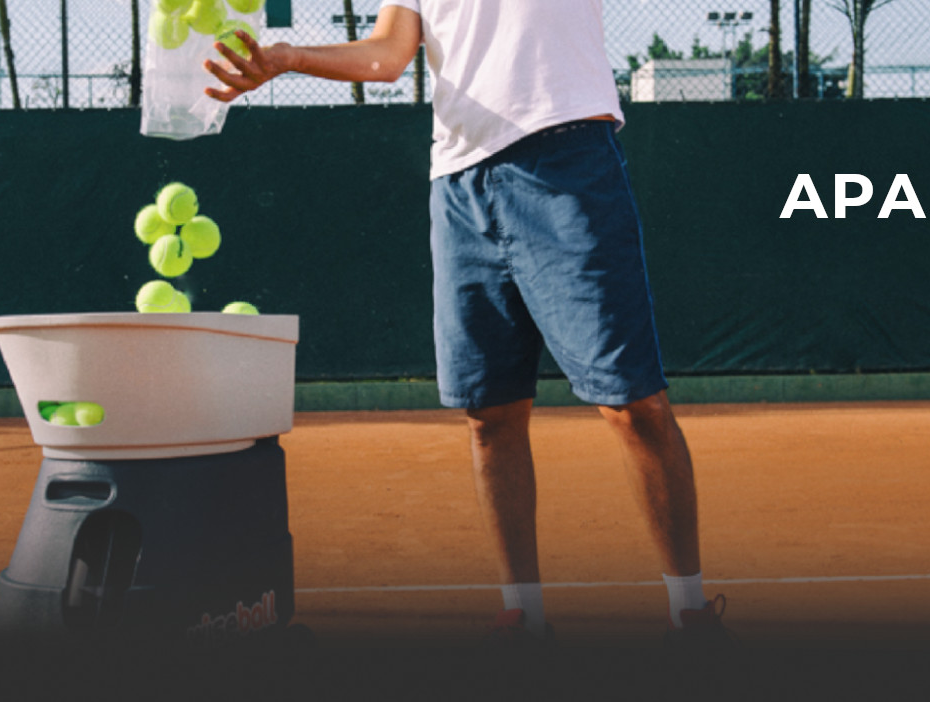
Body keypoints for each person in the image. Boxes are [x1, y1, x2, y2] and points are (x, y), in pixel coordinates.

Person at [204, 1, 728, 645]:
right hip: (459, 185)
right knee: (490, 415)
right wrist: (284, 60)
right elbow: (388, 56)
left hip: (567, 163)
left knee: (632, 403)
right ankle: (522, 613)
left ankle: (690, 610)